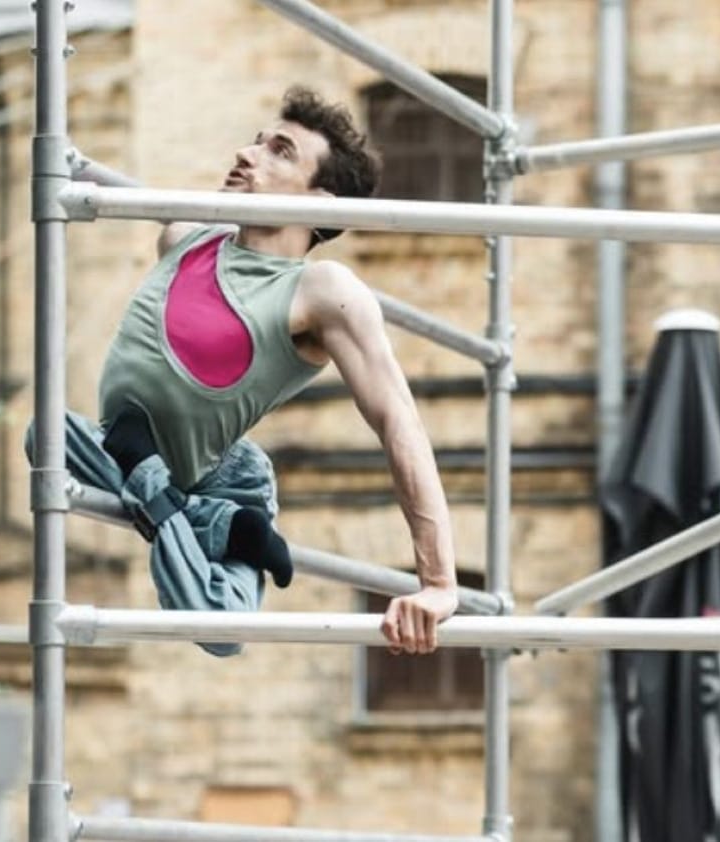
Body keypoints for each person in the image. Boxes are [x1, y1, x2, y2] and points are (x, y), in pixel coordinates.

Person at [51, 86, 459, 656]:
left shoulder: (322, 292)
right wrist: (64, 165)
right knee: (45, 436)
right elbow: (107, 187)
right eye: (256, 141)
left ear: (320, 201)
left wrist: (438, 583)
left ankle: (163, 494)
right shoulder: (186, 237)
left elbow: (399, 420)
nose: (247, 154)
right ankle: (207, 519)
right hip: (129, 453)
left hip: (218, 474)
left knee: (222, 631)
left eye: (280, 151)